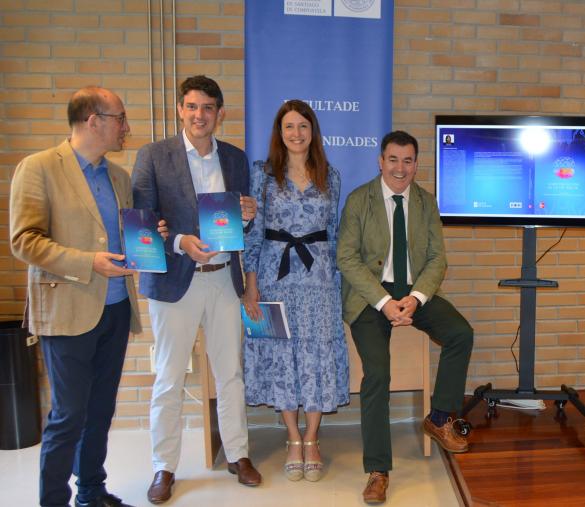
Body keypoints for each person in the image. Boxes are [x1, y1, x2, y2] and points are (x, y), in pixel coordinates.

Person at [10, 86, 163, 507]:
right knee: (67, 417)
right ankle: (54, 501)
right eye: (121, 118)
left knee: (99, 412)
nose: (126, 128)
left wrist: (149, 239)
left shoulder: (118, 177)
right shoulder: (38, 168)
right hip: (67, 311)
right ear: (92, 121)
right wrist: (88, 261)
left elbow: (123, 239)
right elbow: (24, 241)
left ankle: (92, 492)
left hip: (115, 309)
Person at [132, 75, 261, 504]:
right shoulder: (154, 156)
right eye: (191, 106)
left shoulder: (237, 159)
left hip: (225, 279)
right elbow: (142, 226)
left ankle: (238, 455)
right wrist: (179, 243)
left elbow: (241, 221)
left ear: (219, 113)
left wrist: (248, 213)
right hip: (175, 281)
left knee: (231, 375)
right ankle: (163, 467)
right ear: (180, 110)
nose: (199, 115)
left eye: (207, 107)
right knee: (168, 378)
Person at [337, 130, 474, 504]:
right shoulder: (359, 200)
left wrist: (414, 298)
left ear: (416, 164)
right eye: (393, 159)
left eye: (408, 160)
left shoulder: (426, 202)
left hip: (415, 292)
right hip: (370, 298)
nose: (401, 168)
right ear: (381, 161)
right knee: (378, 373)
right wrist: (385, 302)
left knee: (461, 333)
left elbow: (437, 259)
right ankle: (378, 470)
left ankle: (439, 417)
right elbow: (346, 258)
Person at [242, 100, 350, 482]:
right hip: (274, 277)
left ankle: (312, 438)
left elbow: (334, 233)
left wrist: (337, 281)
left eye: (303, 126)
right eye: (289, 126)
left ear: (312, 130)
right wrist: (250, 285)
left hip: (319, 281)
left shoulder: (330, 175)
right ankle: (291, 438)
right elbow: (253, 233)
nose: (296, 133)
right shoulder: (262, 174)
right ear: (279, 132)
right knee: (281, 355)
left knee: (318, 354)